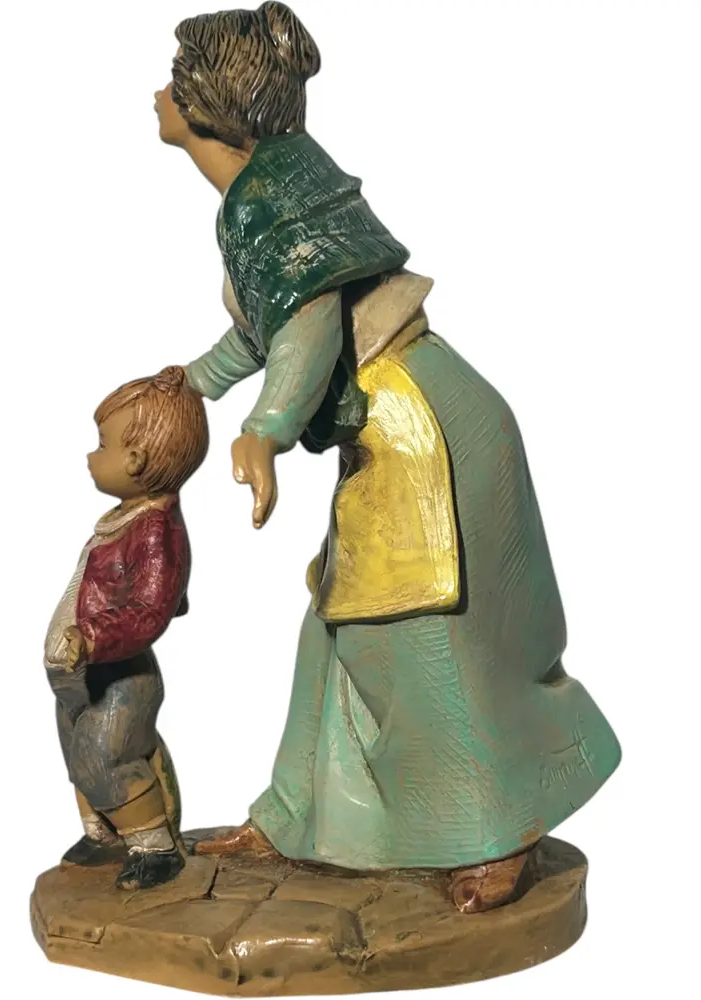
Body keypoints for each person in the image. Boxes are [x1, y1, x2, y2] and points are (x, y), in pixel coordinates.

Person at [155, 3, 621, 912]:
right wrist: (194, 381)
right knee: (334, 631)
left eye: (172, 82)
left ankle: (496, 831)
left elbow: (307, 325)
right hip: (416, 412)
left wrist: (267, 429)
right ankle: (297, 818)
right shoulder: (282, 182)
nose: (157, 96)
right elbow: (270, 320)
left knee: (412, 642)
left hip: (412, 432)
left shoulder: (268, 201)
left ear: (206, 107)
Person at [44, 366, 207, 891]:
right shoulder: (128, 516)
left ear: (135, 460)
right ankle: (104, 834)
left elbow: (150, 610)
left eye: (102, 445)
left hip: (120, 673)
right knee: (78, 748)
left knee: (106, 753)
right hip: (82, 673)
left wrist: (93, 638)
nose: (92, 456)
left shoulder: (156, 531)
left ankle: (155, 847)